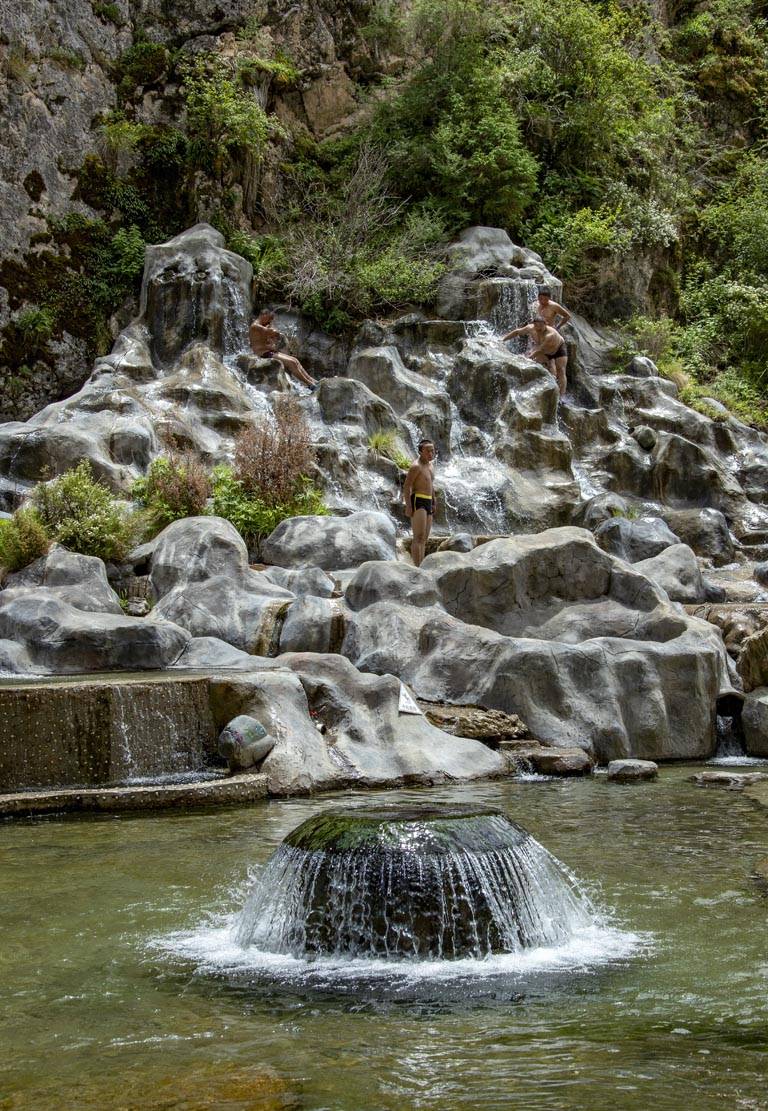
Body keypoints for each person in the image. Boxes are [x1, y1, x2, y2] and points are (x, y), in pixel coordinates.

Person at [249, 309, 317, 388]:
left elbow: (272, 336)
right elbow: (272, 332)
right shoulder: (255, 326)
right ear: (264, 315)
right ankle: (310, 384)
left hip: (268, 351)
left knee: (295, 360)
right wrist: (272, 330)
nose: (270, 320)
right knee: (291, 363)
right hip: (262, 353)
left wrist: (271, 342)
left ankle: (312, 380)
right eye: (269, 318)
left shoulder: (262, 326)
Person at [501, 316, 568, 398]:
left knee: (561, 370)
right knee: (539, 364)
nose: (538, 328)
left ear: (545, 324)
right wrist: (502, 339)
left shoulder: (550, 335)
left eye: (540, 326)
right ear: (533, 325)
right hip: (545, 350)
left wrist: (528, 358)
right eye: (536, 326)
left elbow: (540, 350)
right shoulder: (530, 328)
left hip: (558, 349)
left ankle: (562, 396)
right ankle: (548, 389)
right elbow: (517, 332)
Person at [403, 439, 437, 568]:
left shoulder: (431, 466)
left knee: (425, 538)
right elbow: (407, 486)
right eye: (428, 451)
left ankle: (421, 566)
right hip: (418, 499)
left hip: (428, 500)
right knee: (418, 536)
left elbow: (431, 484)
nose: (431, 453)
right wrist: (409, 506)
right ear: (421, 451)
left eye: (432, 450)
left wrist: (434, 500)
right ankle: (417, 567)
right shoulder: (416, 466)